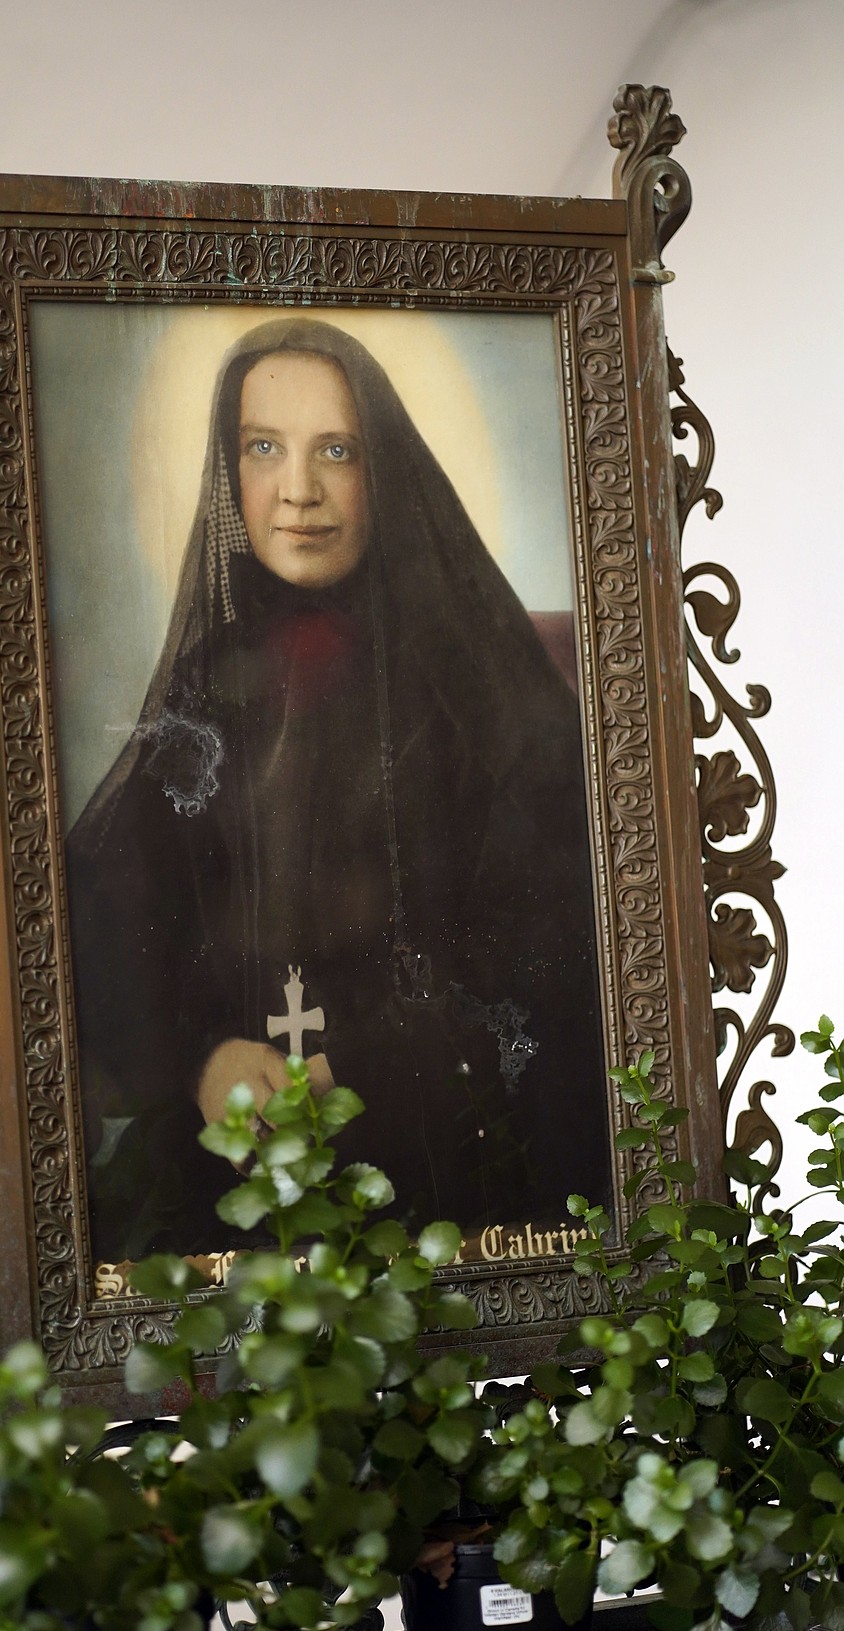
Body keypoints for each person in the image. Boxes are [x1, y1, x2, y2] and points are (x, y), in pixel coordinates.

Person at [66, 316, 610, 1264]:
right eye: (264, 448)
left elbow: (554, 957)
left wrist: (359, 1068)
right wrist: (203, 1063)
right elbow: (104, 921)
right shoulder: (202, 695)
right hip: (237, 1179)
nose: (300, 491)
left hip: (451, 1159)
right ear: (231, 473)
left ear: (383, 470)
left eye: (338, 451)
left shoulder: (476, 685)